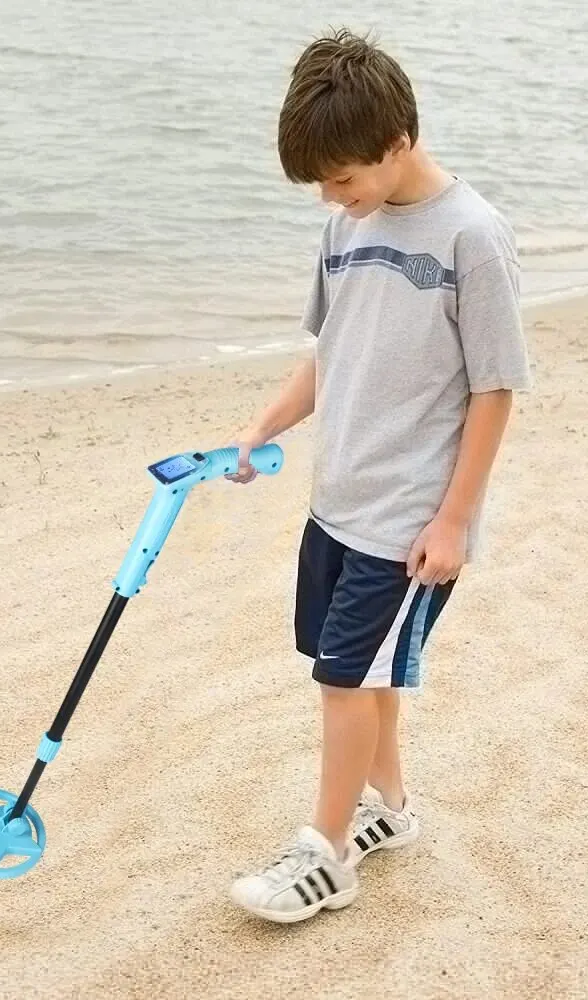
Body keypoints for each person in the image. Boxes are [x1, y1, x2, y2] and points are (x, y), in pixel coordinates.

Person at [225, 28, 532, 923]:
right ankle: (388, 810)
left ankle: (325, 854)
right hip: (337, 504)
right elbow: (329, 354)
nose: (334, 198)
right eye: (322, 185)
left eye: (344, 178)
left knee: (343, 681)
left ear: (398, 142)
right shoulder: (344, 227)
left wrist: (454, 520)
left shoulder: (473, 237)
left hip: (407, 523)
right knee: (365, 675)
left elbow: (495, 389)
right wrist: (262, 426)